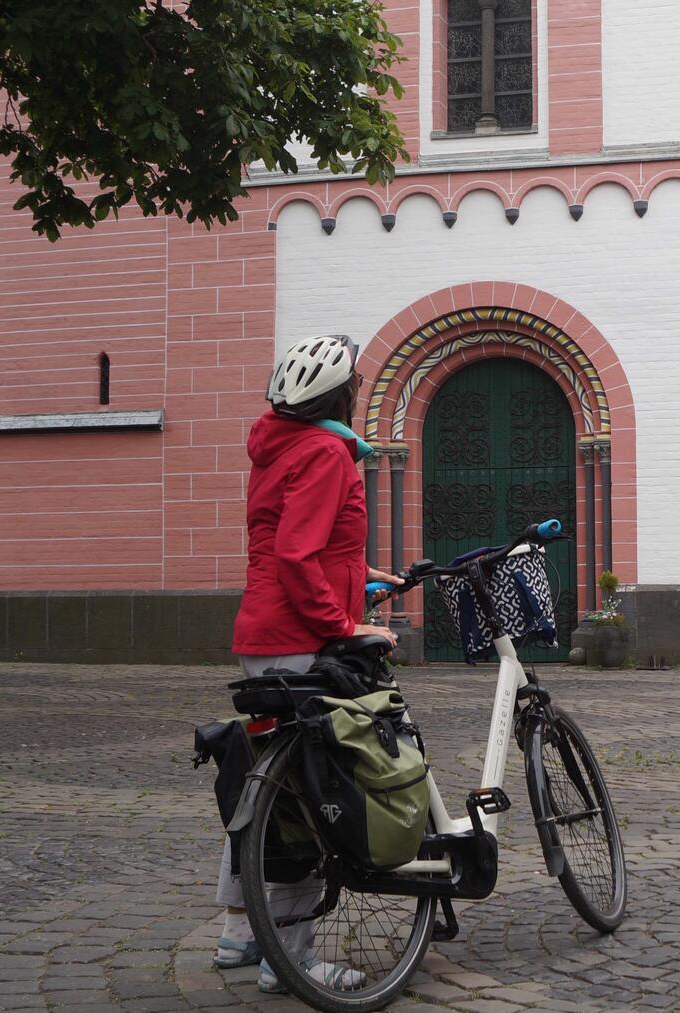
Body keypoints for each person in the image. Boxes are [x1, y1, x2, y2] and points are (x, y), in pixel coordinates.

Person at [215, 334, 402, 993]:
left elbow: (289, 544)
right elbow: (297, 555)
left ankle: (240, 931)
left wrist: (363, 575)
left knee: (263, 781)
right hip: (296, 632)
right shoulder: (327, 451)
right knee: (306, 795)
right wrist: (344, 625)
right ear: (343, 394)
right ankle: (287, 958)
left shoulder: (283, 444)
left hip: (263, 629)